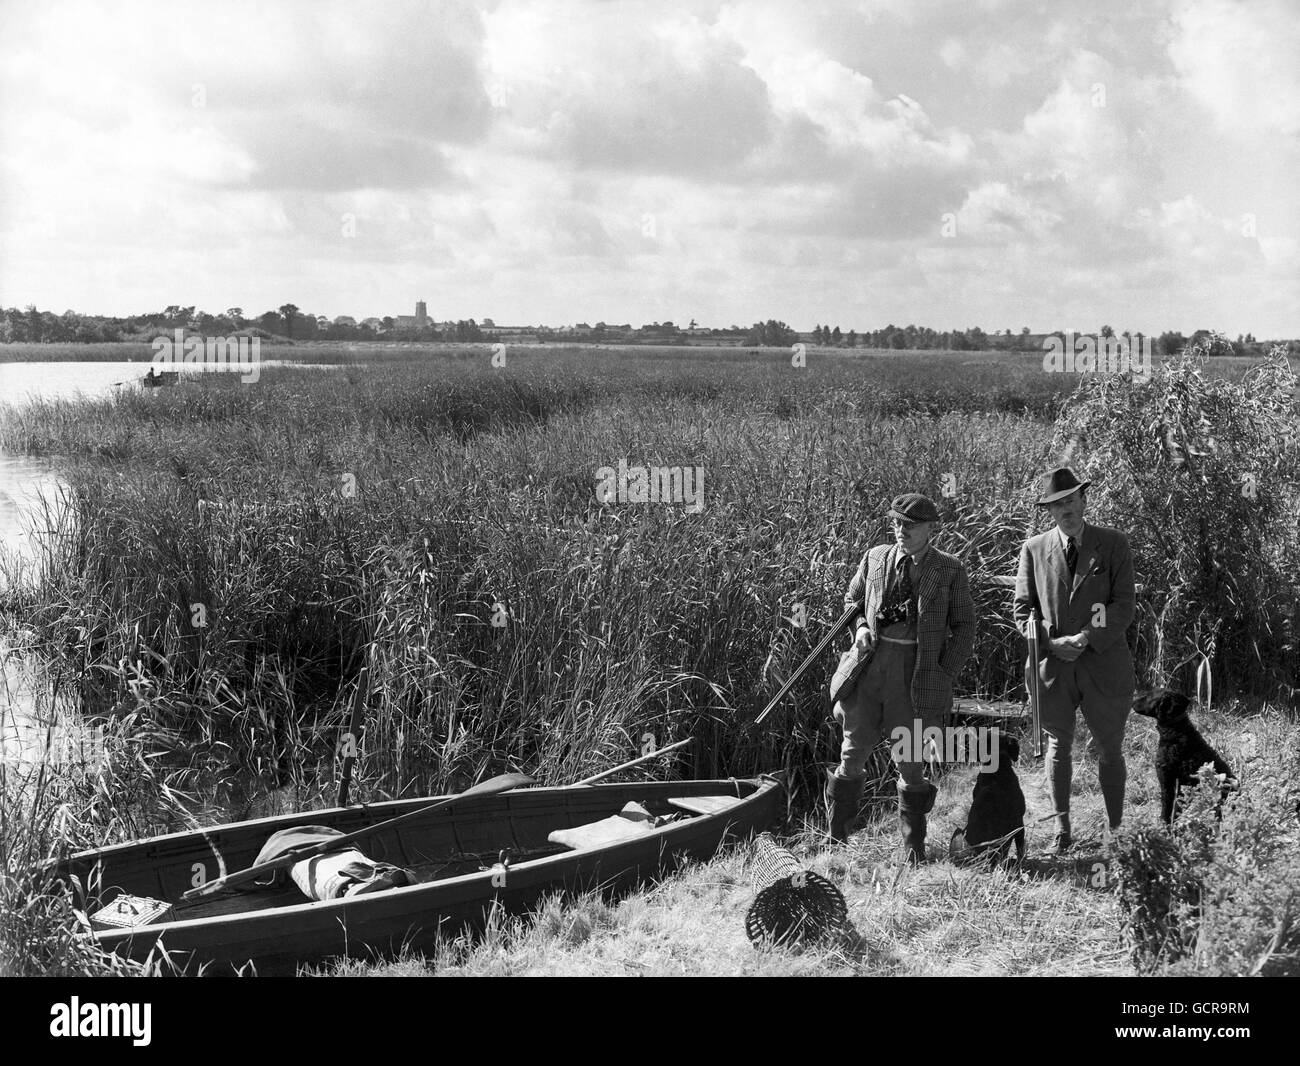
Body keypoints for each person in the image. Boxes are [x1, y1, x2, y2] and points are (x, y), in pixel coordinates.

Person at [826, 493, 976, 861]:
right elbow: (852, 600)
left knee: (911, 762)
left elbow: (965, 625)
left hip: (916, 676)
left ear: (930, 528)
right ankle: (836, 842)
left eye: (910, 526)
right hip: (868, 671)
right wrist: (860, 627)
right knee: (852, 753)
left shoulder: (949, 569)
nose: (901, 531)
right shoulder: (875, 557)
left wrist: (943, 673)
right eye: (896, 524)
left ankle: (913, 851)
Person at [1013, 467, 1136, 854]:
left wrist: (1086, 637)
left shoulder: (1113, 543)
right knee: (1057, 746)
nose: (1066, 509)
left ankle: (1114, 831)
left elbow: (1123, 604)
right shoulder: (1034, 549)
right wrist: (1050, 641)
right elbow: (1022, 610)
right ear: (1049, 511)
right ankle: (1061, 831)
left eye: (1071, 500)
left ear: (1084, 500)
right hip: (1053, 666)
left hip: (1103, 663)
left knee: (1110, 747)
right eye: (1057, 504)